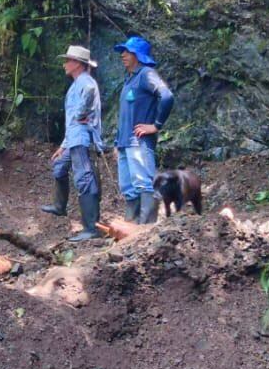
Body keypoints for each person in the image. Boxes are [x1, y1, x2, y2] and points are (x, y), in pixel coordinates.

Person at [41, 45, 104, 241]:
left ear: (77, 64)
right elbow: (72, 121)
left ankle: (91, 228)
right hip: (73, 138)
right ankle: (60, 206)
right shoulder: (76, 83)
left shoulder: (86, 82)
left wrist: (82, 113)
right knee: (60, 166)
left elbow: (87, 100)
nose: (64, 64)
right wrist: (63, 144)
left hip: (83, 138)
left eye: (67, 60)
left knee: (84, 178)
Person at [112, 35, 175, 225]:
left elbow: (166, 96)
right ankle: (130, 227)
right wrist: (118, 142)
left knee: (144, 183)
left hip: (138, 141)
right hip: (125, 142)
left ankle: (145, 231)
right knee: (128, 187)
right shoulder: (130, 79)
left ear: (138, 55)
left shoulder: (146, 74)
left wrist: (156, 126)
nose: (122, 55)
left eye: (127, 51)